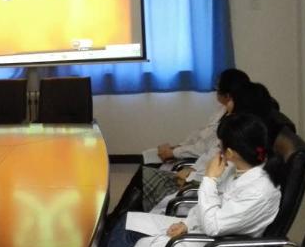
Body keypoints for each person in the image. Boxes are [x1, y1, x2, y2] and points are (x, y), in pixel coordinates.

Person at [78, 113, 283, 247]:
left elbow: (214, 225)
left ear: (230, 152)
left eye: (220, 145)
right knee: (127, 223)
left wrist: (209, 179)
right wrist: (187, 224)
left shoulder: (260, 190)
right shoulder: (240, 169)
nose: (217, 149)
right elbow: (210, 206)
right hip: (202, 231)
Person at [108, 80, 276, 221]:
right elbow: (206, 151)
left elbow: (218, 177)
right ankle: (121, 217)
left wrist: (192, 175)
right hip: (198, 182)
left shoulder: (238, 141)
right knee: (138, 198)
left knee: (142, 186)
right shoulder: (241, 132)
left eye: (232, 99)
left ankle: (120, 218)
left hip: (198, 190)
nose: (228, 103)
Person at [144, 68, 250, 166]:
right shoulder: (222, 110)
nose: (216, 90)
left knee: (151, 164)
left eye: (217, 87)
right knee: (148, 155)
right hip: (193, 154)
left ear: (228, 94)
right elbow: (201, 134)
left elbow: (207, 150)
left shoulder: (235, 122)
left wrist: (173, 152)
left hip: (201, 161)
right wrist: (179, 146)